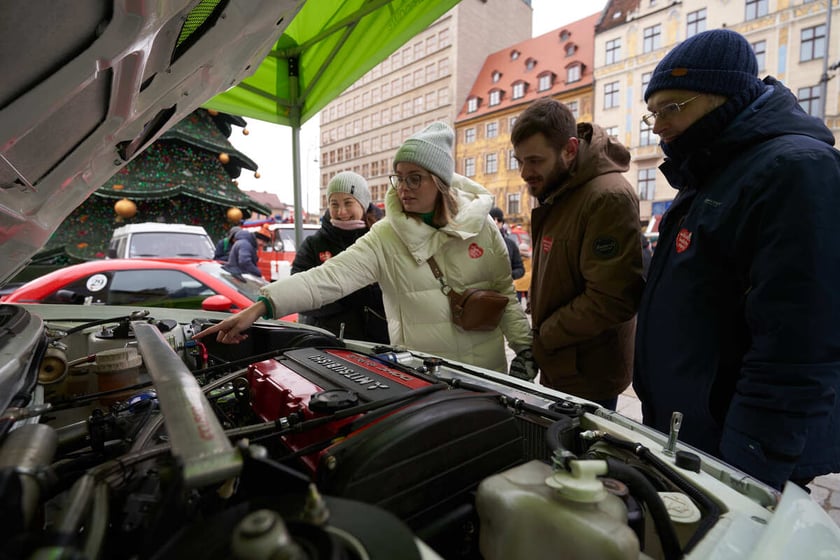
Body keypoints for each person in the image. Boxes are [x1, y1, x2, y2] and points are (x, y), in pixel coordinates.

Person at [634, 29, 840, 490]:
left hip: (739, 450)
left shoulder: (794, 170)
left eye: (673, 107)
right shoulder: (712, 173)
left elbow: (800, 344)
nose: (659, 125)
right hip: (698, 433)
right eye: (653, 112)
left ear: (723, 95)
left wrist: (750, 464)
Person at [195, 123, 534, 375]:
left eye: (415, 178)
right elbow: (327, 279)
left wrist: (525, 350)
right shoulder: (386, 236)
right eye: (399, 178)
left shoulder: (482, 226)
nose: (403, 188)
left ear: (440, 182)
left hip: (489, 375)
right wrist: (260, 308)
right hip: (426, 377)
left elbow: (502, 292)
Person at [510, 98, 644, 410]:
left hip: (587, 374)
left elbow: (611, 299)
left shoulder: (606, 197)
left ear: (570, 150)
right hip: (564, 363)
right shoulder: (561, 190)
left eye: (534, 161)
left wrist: (543, 339)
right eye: (520, 161)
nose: (524, 173)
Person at [292, 171, 389, 344]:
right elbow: (298, 293)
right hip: (326, 342)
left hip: (378, 343)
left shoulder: (382, 238)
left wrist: (370, 295)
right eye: (334, 204)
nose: (341, 211)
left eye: (348, 203)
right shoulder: (314, 244)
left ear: (363, 204)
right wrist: (343, 298)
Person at [489, 207, 524, 281]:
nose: (496, 222)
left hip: (504, 289)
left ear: (502, 223)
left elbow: (520, 269)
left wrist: (509, 275)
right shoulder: (480, 242)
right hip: (482, 289)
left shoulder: (510, 244)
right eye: (492, 219)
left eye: (499, 220)